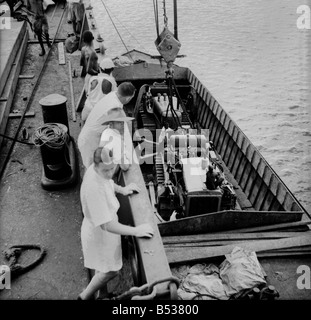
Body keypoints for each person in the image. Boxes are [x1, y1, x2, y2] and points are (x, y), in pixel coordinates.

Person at [78, 147, 154, 300]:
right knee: (111, 271)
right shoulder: (93, 188)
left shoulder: (97, 172)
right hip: (100, 234)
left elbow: (109, 183)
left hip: (103, 231)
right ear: (96, 165)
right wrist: (136, 230)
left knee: (102, 266)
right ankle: (84, 296)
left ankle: (103, 295)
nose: (109, 173)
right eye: (105, 170)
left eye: (112, 168)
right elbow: (107, 226)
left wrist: (123, 189)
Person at [77, 82, 136, 169]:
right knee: (92, 170)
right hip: (89, 142)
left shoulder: (113, 95)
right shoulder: (114, 107)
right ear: (127, 98)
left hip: (88, 136)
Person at [81, 57, 117, 122]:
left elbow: (88, 92)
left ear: (100, 68)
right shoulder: (112, 81)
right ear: (112, 70)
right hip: (101, 113)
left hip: (88, 110)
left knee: (84, 120)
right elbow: (115, 96)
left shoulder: (92, 79)